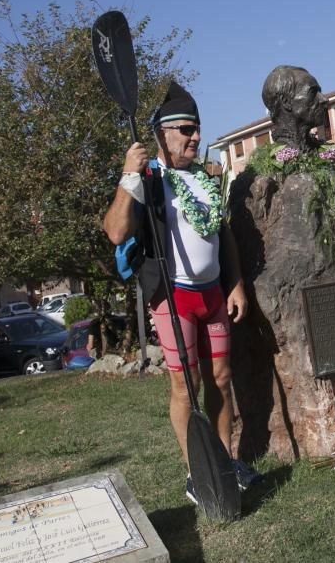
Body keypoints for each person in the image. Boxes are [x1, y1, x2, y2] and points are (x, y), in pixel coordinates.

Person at [103, 82, 261, 504]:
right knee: (185, 385)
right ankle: (197, 471)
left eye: (198, 129)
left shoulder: (205, 178)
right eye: (186, 130)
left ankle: (226, 460)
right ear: (161, 134)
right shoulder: (148, 179)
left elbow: (223, 233)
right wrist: (127, 175)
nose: (195, 137)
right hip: (174, 299)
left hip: (214, 296)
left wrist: (237, 284)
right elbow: (116, 231)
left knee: (221, 380)